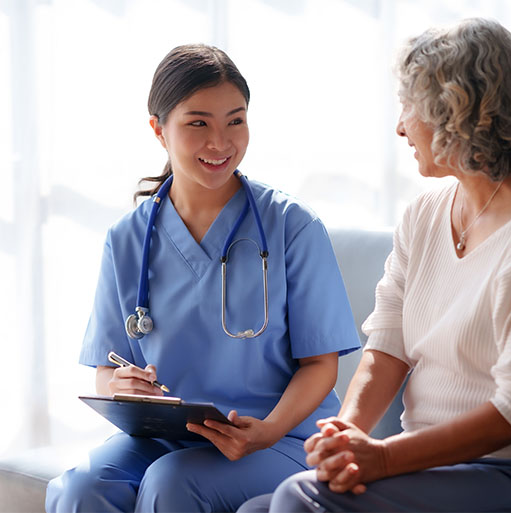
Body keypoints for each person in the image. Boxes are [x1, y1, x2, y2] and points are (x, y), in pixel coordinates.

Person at [238, 18, 511, 513]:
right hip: (432, 469)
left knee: (298, 501)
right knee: (257, 509)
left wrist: (385, 460)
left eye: (409, 107)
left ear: (455, 111)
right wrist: (346, 434)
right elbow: (388, 348)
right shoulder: (424, 215)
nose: (399, 126)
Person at [45, 44, 360, 513]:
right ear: (159, 129)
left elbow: (321, 365)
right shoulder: (127, 239)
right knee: (82, 487)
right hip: (168, 437)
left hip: (280, 438)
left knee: (174, 484)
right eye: (198, 123)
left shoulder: (293, 226)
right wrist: (122, 387)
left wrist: (267, 431)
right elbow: (106, 371)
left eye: (235, 121)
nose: (221, 142)